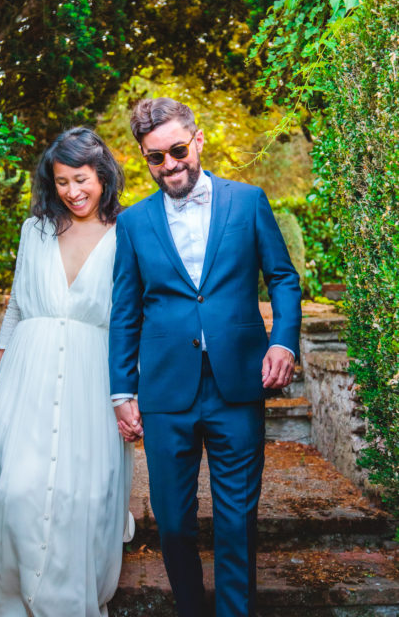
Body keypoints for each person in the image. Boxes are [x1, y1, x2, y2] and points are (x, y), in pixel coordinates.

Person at [109, 98, 302, 617]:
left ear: (197, 140)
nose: (170, 165)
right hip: (165, 390)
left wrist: (283, 341)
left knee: (237, 519)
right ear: (145, 159)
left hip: (237, 382)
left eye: (177, 150)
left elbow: (283, 278)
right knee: (173, 523)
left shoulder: (248, 201)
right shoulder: (133, 222)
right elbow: (125, 311)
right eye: (156, 157)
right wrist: (122, 390)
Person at [0, 128, 134, 617]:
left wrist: (131, 390)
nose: (72, 192)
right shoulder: (34, 230)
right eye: (61, 182)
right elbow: (17, 306)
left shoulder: (128, 234)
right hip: (28, 373)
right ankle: (16, 596)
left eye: (81, 179)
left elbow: (133, 316)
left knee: (82, 494)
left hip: (93, 376)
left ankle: (66, 600)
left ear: (103, 176)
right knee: (18, 488)